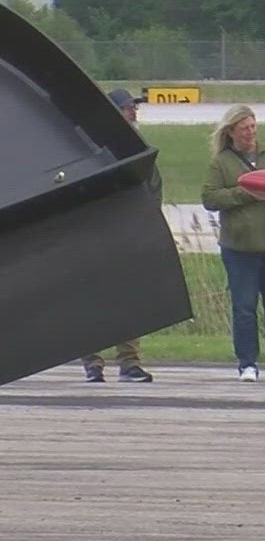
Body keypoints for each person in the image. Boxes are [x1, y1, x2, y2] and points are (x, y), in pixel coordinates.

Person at [201, 104, 265, 382]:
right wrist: (248, 192)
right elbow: (210, 199)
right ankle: (247, 364)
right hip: (239, 250)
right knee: (244, 309)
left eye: (253, 127)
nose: (250, 133)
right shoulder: (221, 162)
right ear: (231, 132)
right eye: (244, 128)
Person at [81, 87, 157, 383]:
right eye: (127, 108)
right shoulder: (93, 147)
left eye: (133, 108)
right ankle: (92, 362)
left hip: (130, 233)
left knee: (129, 300)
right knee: (93, 300)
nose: (133, 112)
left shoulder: (138, 147)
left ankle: (129, 362)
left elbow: (152, 186)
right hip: (97, 235)